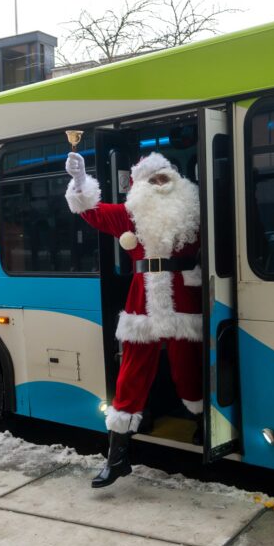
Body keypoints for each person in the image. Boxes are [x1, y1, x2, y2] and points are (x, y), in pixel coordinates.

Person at [65, 150, 204, 488]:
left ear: (177, 180)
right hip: (142, 302)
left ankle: (204, 427)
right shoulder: (130, 215)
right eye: (153, 179)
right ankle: (117, 459)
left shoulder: (196, 212)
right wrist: (80, 181)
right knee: (131, 374)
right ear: (140, 185)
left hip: (185, 300)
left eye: (165, 178)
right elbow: (91, 211)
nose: (160, 184)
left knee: (190, 371)